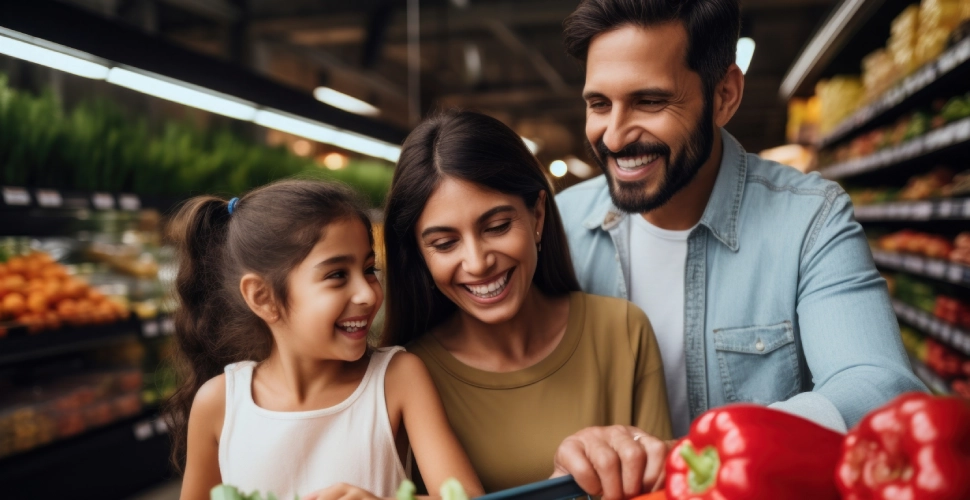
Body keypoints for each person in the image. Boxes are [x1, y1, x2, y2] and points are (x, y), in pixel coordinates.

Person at [554, 0, 927, 495]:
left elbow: (880, 390)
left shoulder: (808, 219)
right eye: (599, 104)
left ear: (725, 95)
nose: (615, 135)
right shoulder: (558, 226)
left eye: (649, 102)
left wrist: (699, 456)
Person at [380, 110, 672, 494]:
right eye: (444, 243)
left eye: (498, 227)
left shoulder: (622, 330)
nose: (478, 262)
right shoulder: (406, 378)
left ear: (537, 214)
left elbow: (663, 488)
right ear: (419, 255)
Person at [167, 180, 482, 500]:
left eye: (370, 269)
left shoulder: (397, 378)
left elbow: (466, 495)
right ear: (262, 297)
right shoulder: (219, 403)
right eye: (337, 275)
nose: (367, 293)